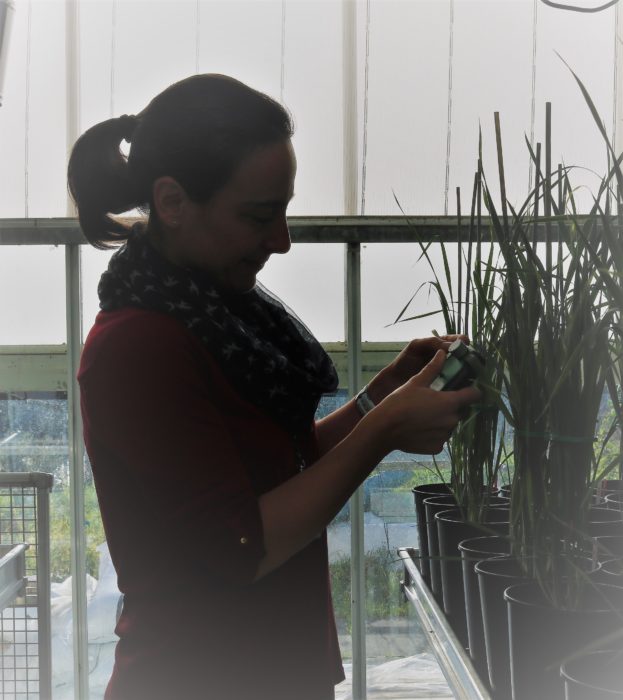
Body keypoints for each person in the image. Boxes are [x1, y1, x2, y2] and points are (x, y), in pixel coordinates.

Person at [69, 74, 480, 700]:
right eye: (259, 216)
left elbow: (280, 467)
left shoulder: (211, 313)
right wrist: (384, 431)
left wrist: (385, 395)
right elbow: (241, 545)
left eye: (283, 210)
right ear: (173, 201)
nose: (281, 240)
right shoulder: (138, 348)